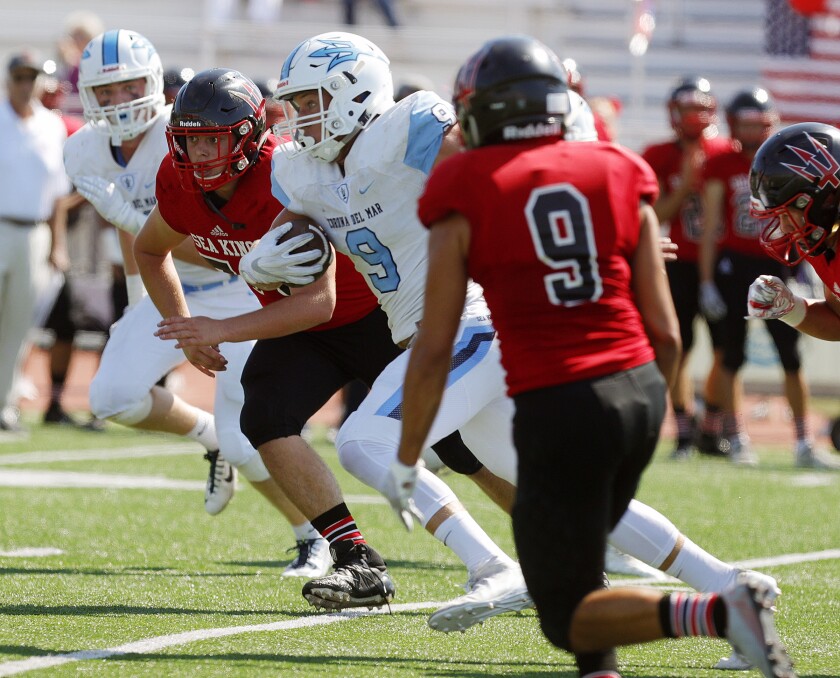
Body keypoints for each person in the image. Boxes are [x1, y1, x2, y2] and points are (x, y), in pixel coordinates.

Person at [243, 32, 783, 660]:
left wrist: (596, 227)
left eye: (310, 101)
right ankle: (732, 591)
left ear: (352, 92)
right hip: (432, 335)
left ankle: (493, 568)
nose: (299, 117)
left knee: (365, 439)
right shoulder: (302, 169)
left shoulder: (408, 129)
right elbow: (302, 222)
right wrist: (263, 259)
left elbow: (498, 173)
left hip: (472, 322)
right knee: (576, 496)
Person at [389, 35, 795, 678]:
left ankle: (722, 611)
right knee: (580, 585)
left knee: (567, 614)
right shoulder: (615, 166)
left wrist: (408, 455)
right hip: (635, 390)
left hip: (560, 402)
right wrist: (652, 411)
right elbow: (665, 333)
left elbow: (434, 345)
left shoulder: (464, 182)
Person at [151, 66, 534, 616]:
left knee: (460, 445)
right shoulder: (182, 179)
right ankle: (357, 558)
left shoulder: (285, 171)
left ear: (248, 135)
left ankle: (558, 547)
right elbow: (150, 247)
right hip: (306, 327)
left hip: (376, 312)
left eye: (212, 138)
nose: (200, 154)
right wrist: (187, 325)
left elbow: (320, 299)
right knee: (265, 414)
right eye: (188, 140)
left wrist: (218, 328)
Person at [65, 29, 323, 567]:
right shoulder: (85, 150)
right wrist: (154, 310)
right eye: (104, 91)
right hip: (166, 285)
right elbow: (141, 244)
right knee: (111, 396)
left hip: (238, 284)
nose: (117, 101)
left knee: (247, 436)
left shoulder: (189, 129)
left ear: (154, 82)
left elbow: (222, 244)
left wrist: (141, 229)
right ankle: (203, 435)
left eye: (128, 85)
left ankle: (311, 534)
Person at [698, 89, 829, 468]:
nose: (755, 131)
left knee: (791, 357)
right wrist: (707, 280)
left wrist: (803, 270)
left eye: (761, 124)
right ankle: (736, 436)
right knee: (731, 356)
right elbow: (710, 225)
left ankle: (804, 440)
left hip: (784, 260)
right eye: (748, 124)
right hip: (735, 264)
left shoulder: (783, 159)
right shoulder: (721, 161)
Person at [641, 76, 734, 459]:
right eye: (687, 109)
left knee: (727, 349)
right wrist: (684, 187)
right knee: (677, 347)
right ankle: (682, 430)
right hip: (678, 259)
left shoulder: (727, 152)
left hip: (722, 264)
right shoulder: (658, 154)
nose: (694, 118)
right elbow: (652, 216)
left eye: (700, 109)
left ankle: (714, 424)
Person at [748, 121, 840, 469]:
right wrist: (791, 309)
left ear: (823, 197)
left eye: (789, 212)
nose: (784, 227)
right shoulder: (824, 239)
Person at [0, 50, 70, 434]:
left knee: (19, 324)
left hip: (34, 233)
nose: (28, 85)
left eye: (34, 78)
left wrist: (58, 244)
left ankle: (4, 404)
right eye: (21, 77)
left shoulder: (51, 126)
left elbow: (58, 193)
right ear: (9, 80)